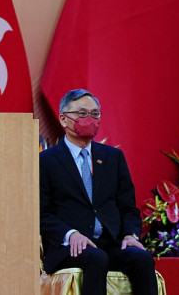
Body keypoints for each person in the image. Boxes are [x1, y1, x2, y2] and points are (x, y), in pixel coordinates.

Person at [40, 88, 158, 295]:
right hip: (68, 246)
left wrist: (130, 235)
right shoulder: (46, 161)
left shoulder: (113, 157)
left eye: (95, 114)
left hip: (109, 243)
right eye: (82, 113)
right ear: (64, 119)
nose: (90, 119)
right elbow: (43, 213)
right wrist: (70, 234)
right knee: (96, 258)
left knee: (142, 258)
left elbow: (128, 207)